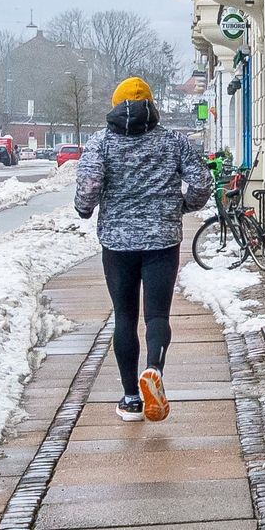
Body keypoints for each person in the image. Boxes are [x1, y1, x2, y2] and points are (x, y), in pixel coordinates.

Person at [72, 77, 208, 422]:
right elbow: (203, 181)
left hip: (117, 244)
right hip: (162, 240)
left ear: (115, 105)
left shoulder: (101, 142)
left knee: (125, 317)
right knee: (158, 315)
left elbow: (89, 184)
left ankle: (131, 397)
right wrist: (183, 206)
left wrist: (85, 209)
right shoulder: (173, 141)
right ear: (152, 105)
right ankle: (155, 371)